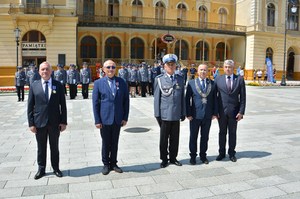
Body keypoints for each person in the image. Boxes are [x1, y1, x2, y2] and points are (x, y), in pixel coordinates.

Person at [27, 61, 67, 180]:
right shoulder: (34, 85)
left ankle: (56, 168)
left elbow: (63, 105)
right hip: (39, 123)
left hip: (55, 123)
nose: (45, 71)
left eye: (47, 69)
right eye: (42, 69)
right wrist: (31, 123)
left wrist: (63, 121)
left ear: (51, 71)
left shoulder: (58, 85)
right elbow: (30, 106)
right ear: (39, 72)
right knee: (41, 147)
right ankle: (41, 169)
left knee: (54, 147)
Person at [92, 60, 130, 175]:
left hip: (117, 118)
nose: (111, 69)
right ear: (103, 69)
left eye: (113, 67)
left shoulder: (122, 82)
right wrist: (97, 120)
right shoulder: (98, 83)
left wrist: (125, 117)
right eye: (108, 67)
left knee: (115, 142)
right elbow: (95, 103)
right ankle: (106, 164)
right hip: (104, 119)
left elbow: (126, 101)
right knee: (105, 142)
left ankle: (114, 163)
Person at [154, 54, 186, 168]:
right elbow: (157, 99)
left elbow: (182, 97)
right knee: (163, 139)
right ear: (164, 66)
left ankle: (173, 158)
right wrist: (157, 114)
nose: (171, 66)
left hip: (176, 114)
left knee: (175, 138)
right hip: (165, 115)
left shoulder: (180, 79)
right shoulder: (159, 79)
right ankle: (164, 159)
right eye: (169, 64)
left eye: (173, 64)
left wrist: (183, 112)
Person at [185, 64, 218, 165]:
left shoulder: (212, 84)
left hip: (207, 115)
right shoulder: (191, 83)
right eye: (201, 70)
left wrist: (215, 113)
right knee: (193, 137)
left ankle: (203, 156)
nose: (203, 72)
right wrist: (188, 114)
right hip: (195, 115)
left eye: (205, 70)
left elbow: (215, 99)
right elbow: (187, 100)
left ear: (208, 72)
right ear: (197, 71)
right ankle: (193, 157)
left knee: (205, 137)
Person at [215, 60, 246, 162]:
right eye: (226, 67)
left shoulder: (239, 80)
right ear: (223, 68)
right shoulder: (218, 79)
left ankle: (232, 153)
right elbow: (214, 97)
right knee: (222, 133)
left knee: (232, 133)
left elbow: (243, 97)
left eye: (230, 67)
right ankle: (221, 153)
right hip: (221, 113)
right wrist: (215, 112)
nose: (228, 69)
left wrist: (241, 112)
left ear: (233, 68)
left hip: (234, 113)